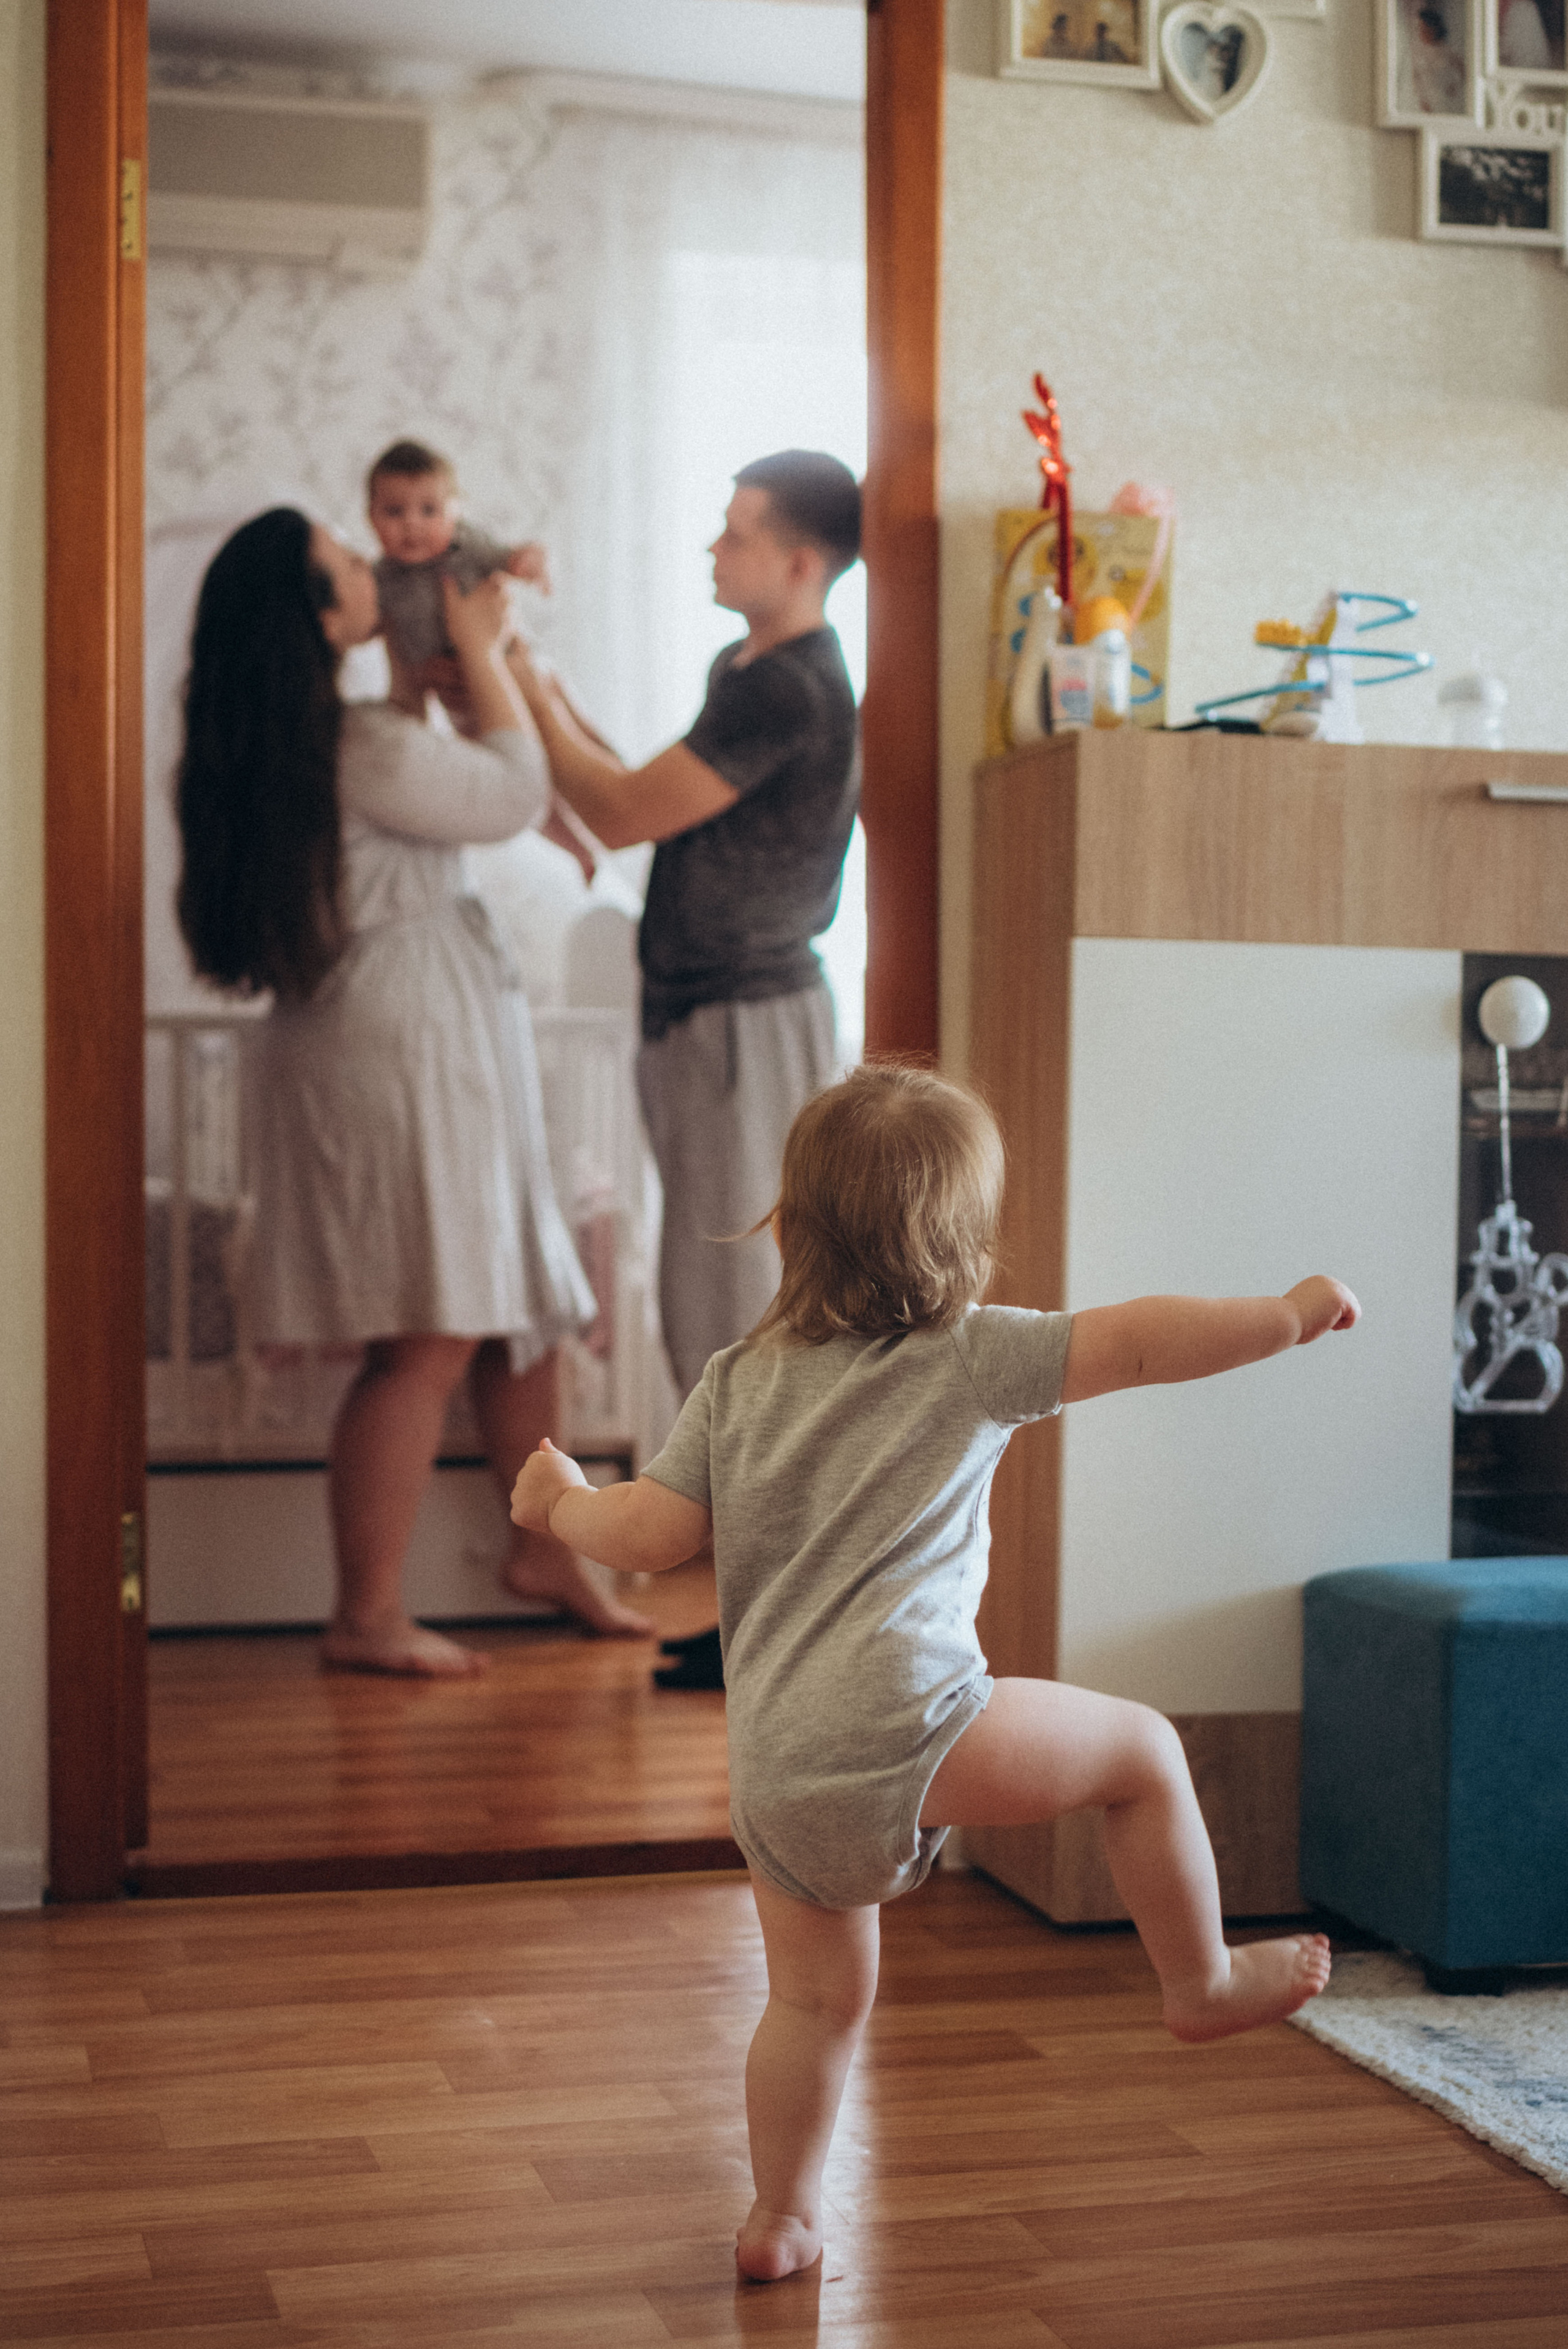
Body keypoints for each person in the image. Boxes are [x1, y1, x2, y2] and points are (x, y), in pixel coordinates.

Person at [510, 1063, 1349, 2282]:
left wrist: (560, 1506)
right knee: (1143, 1756)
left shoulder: (738, 1382)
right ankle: (1199, 1978)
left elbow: (648, 1538)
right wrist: (1283, 1315)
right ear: (963, 1238)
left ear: (789, 1232)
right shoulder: (968, 1355)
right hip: (919, 1725)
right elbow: (1138, 1342)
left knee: (809, 2008)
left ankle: (779, 2218)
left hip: (778, 1770)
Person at [175, 505, 654, 1676]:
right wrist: (485, 653)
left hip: (411, 1037)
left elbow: (435, 777)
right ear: (313, 612)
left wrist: (421, 673)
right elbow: (506, 789)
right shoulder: (358, 747)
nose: (370, 569)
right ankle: (367, 1611)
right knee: (429, 1335)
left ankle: (547, 1551)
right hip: (400, 1051)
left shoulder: (316, 739)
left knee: (520, 1298)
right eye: (346, 564)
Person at [508, 449, 862, 1690]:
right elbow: (633, 785)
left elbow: (612, 810)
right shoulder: (747, 674)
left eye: (735, 533)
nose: (714, 550)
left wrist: (517, 683)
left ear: (799, 562)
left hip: (741, 1023)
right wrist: (542, 703)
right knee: (710, 1317)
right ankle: (750, 1616)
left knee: (736, 1325)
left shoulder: (792, 692)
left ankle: (770, 1630)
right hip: (707, 1021)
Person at [368, 437, 552, 672]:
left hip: (505, 662)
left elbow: (507, 558)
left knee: (547, 685)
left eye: (429, 510)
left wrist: (526, 561)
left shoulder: (465, 545)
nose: (412, 524)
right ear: (371, 518)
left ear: (455, 512)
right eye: (394, 511)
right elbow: (363, 625)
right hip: (445, 678)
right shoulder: (380, 577)